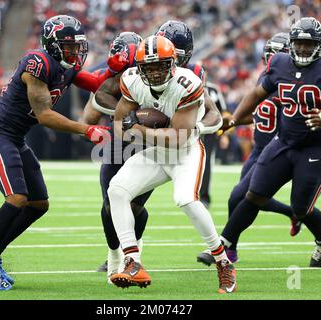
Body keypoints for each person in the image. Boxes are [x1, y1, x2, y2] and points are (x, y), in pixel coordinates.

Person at [0, 15, 128, 291]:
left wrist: (117, 68)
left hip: (15, 137)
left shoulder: (66, 66)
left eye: (77, 45)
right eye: (69, 46)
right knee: (17, 198)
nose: (75, 51)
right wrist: (87, 130)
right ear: (53, 45)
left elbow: (95, 82)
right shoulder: (37, 63)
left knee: (38, 204)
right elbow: (44, 116)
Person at [107, 35, 237, 293]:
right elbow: (120, 126)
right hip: (158, 150)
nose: (154, 73)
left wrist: (141, 130)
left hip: (186, 151)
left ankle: (223, 261)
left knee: (185, 199)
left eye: (160, 65)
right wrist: (137, 129)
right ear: (140, 68)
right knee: (116, 190)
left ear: (173, 63)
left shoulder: (187, 84)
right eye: (149, 67)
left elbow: (178, 138)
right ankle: (132, 260)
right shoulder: (131, 79)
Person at [197, 17, 321, 268]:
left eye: (309, 45)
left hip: (313, 147)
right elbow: (256, 93)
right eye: (299, 44)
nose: (303, 49)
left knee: (301, 208)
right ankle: (225, 245)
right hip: (283, 142)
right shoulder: (280, 62)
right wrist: (233, 119)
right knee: (253, 194)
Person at [82, 32, 149, 282]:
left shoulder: (159, 72)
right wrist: (125, 113)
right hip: (117, 141)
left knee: (134, 206)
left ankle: (132, 253)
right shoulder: (109, 78)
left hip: (149, 143)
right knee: (110, 206)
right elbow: (88, 118)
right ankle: (114, 254)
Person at [156, 20, 227, 208]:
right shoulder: (145, 68)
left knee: (192, 184)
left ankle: (203, 196)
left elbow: (216, 113)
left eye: (173, 54)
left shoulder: (194, 73)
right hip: (154, 131)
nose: (167, 58)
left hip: (188, 129)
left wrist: (199, 128)